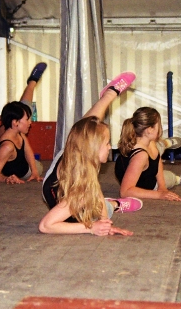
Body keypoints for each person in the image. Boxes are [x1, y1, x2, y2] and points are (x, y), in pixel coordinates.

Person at [39, 72, 141, 236]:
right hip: (60, 193)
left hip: (68, 168)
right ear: (93, 150)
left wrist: (105, 222)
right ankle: (115, 204)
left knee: (86, 130)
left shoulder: (84, 154)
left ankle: (109, 94)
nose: (110, 147)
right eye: (107, 143)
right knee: (93, 211)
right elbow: (45, 226)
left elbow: (95, 187)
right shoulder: (78, 196)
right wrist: (92, 227)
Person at [115, 107, 181, 201]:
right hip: (141, 184)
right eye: (159, 125)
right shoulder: (140, 156)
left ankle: (166, 143)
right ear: (150, 130)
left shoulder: (148, 140)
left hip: (144, 167)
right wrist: (159, 194)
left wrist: (162, 186)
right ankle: (177, 179)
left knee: (157, 146)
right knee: (169, 178)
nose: (160, 128)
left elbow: (157, 160)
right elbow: (124, 192)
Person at [0, 101, 43, 184]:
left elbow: (28, 152)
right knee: (40, 166)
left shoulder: (18, 133)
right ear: (15, 122)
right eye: (27, 119)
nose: (30, 122)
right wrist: (6, 179)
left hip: (26, 166)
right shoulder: (7, 147)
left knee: (37, 165)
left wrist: (34, 172)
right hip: (24, 172)